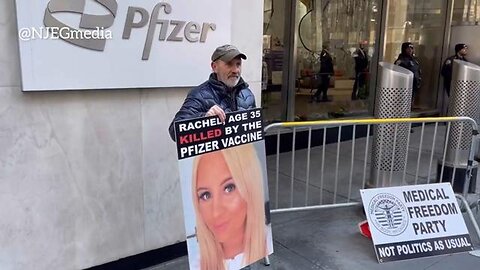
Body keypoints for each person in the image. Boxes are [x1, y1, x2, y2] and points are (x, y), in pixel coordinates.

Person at [192, 144, 270, 270]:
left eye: (229, 188)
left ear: (250, 186)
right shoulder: (199, 264)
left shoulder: (265, 239)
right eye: (205, 195)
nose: (216, 212)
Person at [168, 44, 256, 141]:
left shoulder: (247, 94)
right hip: (215, 156)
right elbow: (174, 132)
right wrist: (203, 118)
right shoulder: (199, 95)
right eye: (229, 64)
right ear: (214, 67)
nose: (235, 70)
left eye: (238, 64)